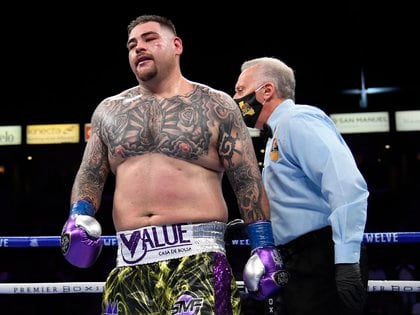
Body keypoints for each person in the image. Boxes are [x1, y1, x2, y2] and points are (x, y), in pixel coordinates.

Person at [60, 15, 286, 315]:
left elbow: (246, 180)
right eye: (132, 45)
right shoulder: (108, 111)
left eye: (150, 39)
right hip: (130, 264)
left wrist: (264, 245)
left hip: (197, 260)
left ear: (176, 45)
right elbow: (90, 174)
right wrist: (78, 217)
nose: (139, 47)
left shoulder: (216, 106)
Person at [232, 57, 369, 315]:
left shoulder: (298, 121)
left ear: (267, 91)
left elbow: (346, 186)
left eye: (240, 90)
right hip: (301, 259)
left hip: (322, 257)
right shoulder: (278, 132)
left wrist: (347, 260)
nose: (235, 98)